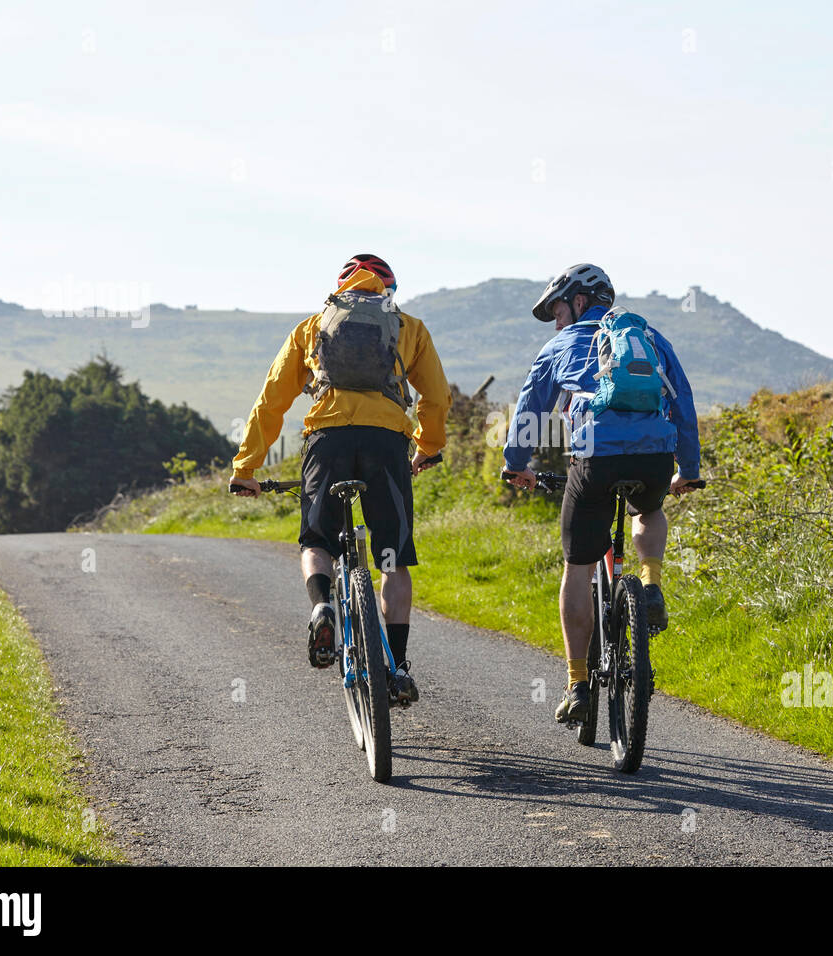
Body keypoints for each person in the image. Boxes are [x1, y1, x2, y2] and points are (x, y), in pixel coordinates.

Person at [229, 253, 450, 705]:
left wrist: (246, 468)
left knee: (317, 540)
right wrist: (428, 447)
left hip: (327, 440)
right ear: (388, 290)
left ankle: (323, 605)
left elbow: (270, 401)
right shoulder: (410, 328)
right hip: (387, 444)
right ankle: (398, 666)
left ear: (340, 291)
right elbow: (437, 396)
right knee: (392, 559)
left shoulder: (313, 327)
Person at [503, 263, 701, 724]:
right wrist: (686, 469)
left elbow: (531, 406)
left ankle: (577, 685)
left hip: (594, 460)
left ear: (578, 302)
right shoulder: (649, 337)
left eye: (558, 310)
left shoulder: (561, 345)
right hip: (654, 457)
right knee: (648, 508)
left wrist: (516, 465)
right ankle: (650, 586)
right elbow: (683, 401)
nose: (556, 322)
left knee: (577, 566)